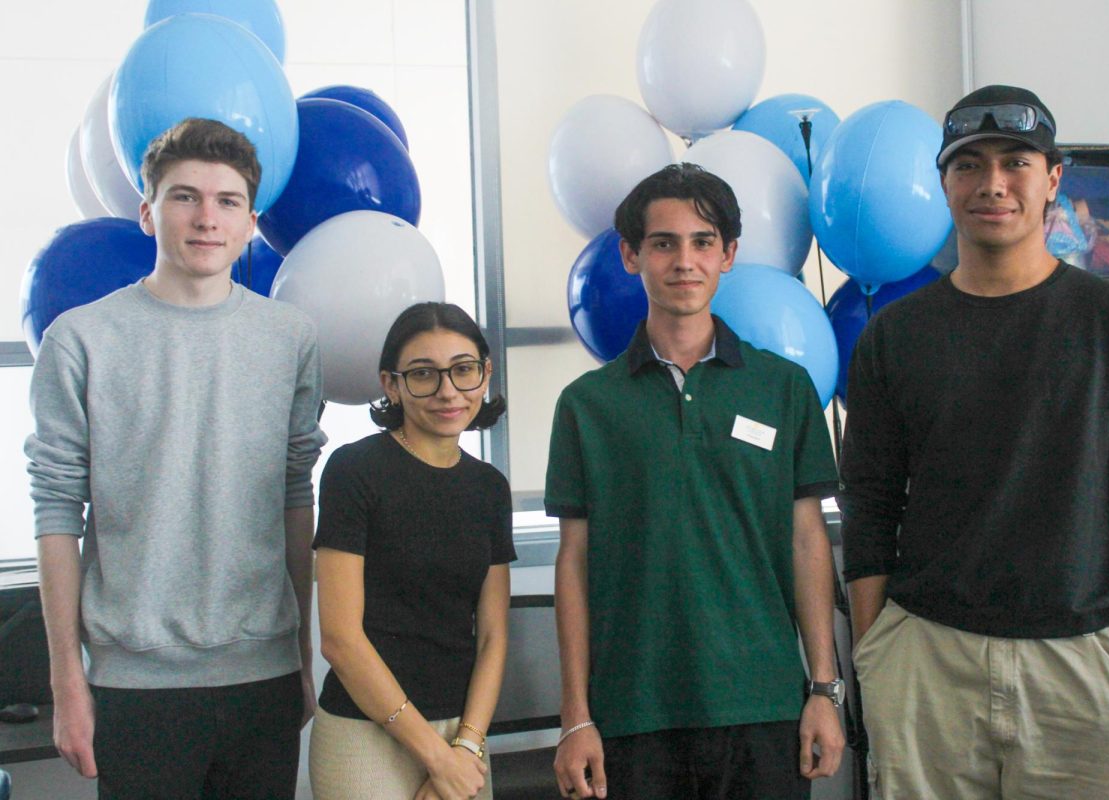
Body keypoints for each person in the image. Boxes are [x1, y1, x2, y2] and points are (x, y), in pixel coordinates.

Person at [840, 84, 1109, 799]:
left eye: (1015, 163)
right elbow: (870, 500)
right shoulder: (897, 336)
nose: (992, 184)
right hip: (927, 660)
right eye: (969, 165)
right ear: (944, 183)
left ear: (1053, 179)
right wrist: (877, 650)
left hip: (1089, 662)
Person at [27, 118, 327, 797]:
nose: (205, 218)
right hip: (134, 685)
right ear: (146, 211)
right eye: (183, 196)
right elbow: (55, 510)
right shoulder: (80, 340)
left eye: (226, 202)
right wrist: (66, 681)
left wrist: (302, 658)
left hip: (263, 678)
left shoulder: (291, 338)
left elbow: (294, 498)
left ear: (251, 221)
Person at [547, 163, 846, 800]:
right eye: (663, 243)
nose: (685, 261)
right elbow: (573, 564)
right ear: (630, 256)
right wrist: (576, 714)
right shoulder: (586, 405)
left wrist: (824, 688)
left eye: (703, 242)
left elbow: (806, 542)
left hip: (766, 706)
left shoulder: (784, 389)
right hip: (633, 712)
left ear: (729, 255)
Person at [309, 302, 515, 800]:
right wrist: (435, 757)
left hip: (463, 734)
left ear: (484, 375)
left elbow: (492, 636)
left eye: (463, 370)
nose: (448, 391)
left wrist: (465, 748)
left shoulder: (489, 486)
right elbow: (339, 639)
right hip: (366, 730)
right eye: (424, 374)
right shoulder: (354, 470)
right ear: (391, 384)